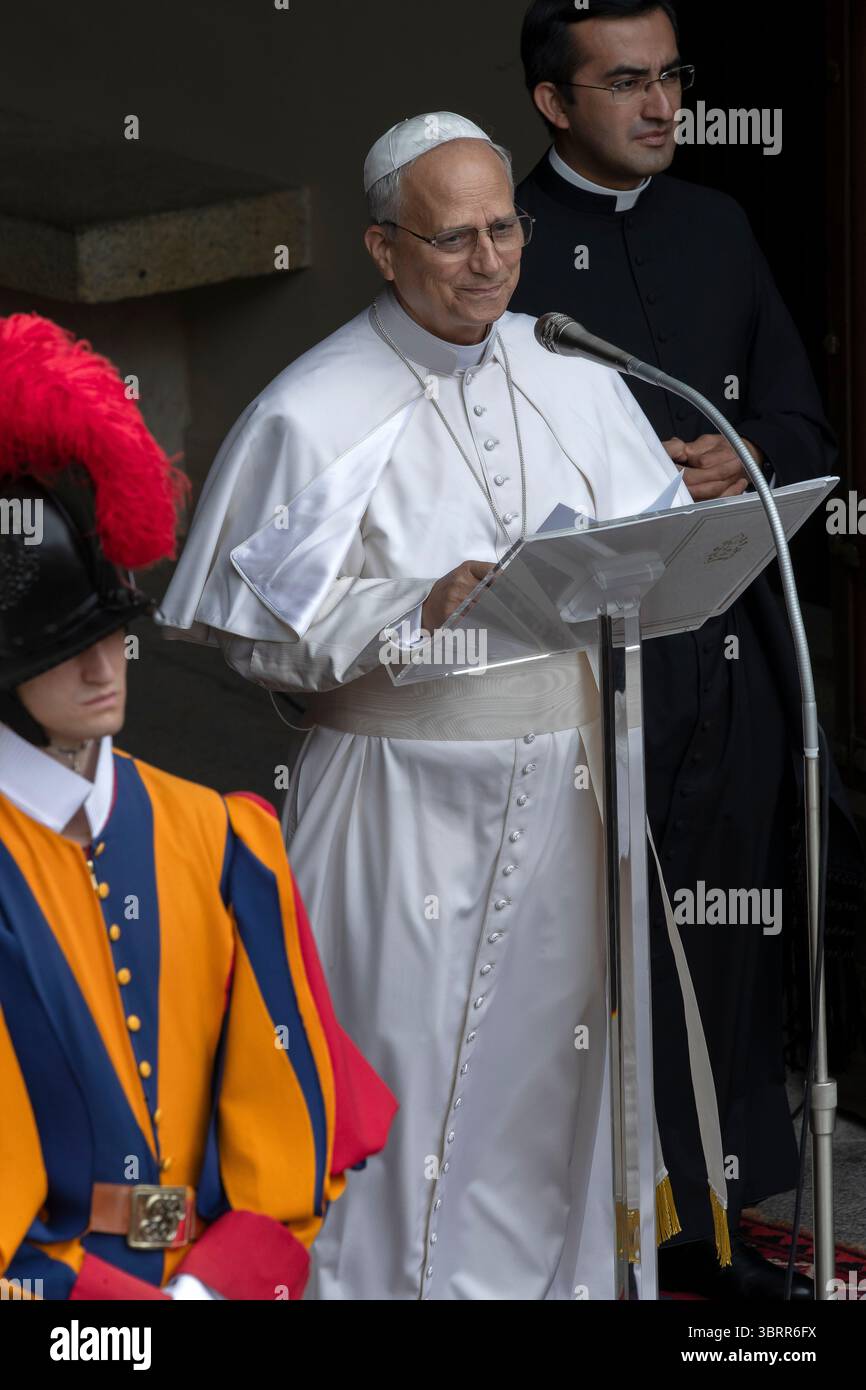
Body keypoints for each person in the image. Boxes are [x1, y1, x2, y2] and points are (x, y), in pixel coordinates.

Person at [157, 111, 736, 1300]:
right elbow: (257, 641)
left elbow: (638, 546)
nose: (488, 264)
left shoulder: (567, 364)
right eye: (452, 240)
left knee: (546, 1085)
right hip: (399, 802)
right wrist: (420, 603)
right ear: (381, 249)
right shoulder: (310, 409)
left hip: (569, 794)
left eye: (503, 230)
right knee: (395, 1081)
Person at [510, 0, 844, 1298]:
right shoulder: (504, 245)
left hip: (735, 648)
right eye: (627, 84)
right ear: (554, 101)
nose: (662, 107)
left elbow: (800, 423)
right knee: (599, 942)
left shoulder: (717, 225)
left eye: (673, 80)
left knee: (725, 932)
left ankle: (710, 1216)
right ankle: (596, 1219)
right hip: (587, 656)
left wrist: (747, 452)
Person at [0, 313, 396, 1301]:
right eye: (62, 645)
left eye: (114, 630)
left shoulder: (220, 837)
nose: (102, 666)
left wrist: (210, 1283)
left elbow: (287, 1114)